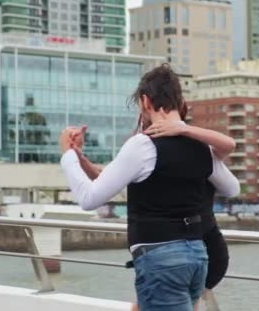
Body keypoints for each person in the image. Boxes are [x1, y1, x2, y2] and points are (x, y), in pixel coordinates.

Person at [59, 64, 239, 311]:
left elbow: (89, 198)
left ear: (145, 101)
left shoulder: (143, 146)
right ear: (179, 100)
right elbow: (232, 188)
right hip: (197, 255)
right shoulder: (202, 147)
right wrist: (80, 158)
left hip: (161, 256)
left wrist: (68, 155)